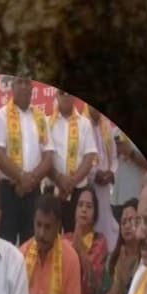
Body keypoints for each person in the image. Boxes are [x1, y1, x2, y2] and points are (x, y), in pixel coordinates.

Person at [0, 75, 54, 245]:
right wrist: (21, 177)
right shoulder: (1, 116)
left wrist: (29, 181)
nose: (24, 86)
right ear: (12, 87)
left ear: (32, 87)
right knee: (6, 245)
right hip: (8, 192)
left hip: (33, 192)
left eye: (27, 82)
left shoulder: (41, 118)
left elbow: (48, 157)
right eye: (20, 82)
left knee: (32, 244)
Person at [85, 199, 141, 294]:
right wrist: (119, 281)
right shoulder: (113, 260)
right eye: (123, 222)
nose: (127, 225)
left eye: (132, 220)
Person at [47, 91, 98, 234]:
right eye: (62, 93)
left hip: (77, 192)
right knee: (49, 236)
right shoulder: (46, 122)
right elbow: (44, 156)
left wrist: (70, 183)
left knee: (74, 236)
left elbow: (89, 157)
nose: (66, 96)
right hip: (52, 190)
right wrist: (59, 179)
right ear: (56, 95)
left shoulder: (85, 124)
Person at [65, 185, 110, 294]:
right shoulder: (65, 238)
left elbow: (93, 286)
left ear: (95, 213)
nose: (84, 209)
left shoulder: (100, 241)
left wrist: (80, 250)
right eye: (80, 205)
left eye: (89, 206)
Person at [86, 105, 121, 251]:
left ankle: (107, 258)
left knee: (107, 225)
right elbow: (80, 157)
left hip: (106, 187)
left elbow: (114, 158)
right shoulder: (82, 124)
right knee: (91, 224)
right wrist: (95, 173)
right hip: (89, 186)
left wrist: (111, 173)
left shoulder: (106, 125)